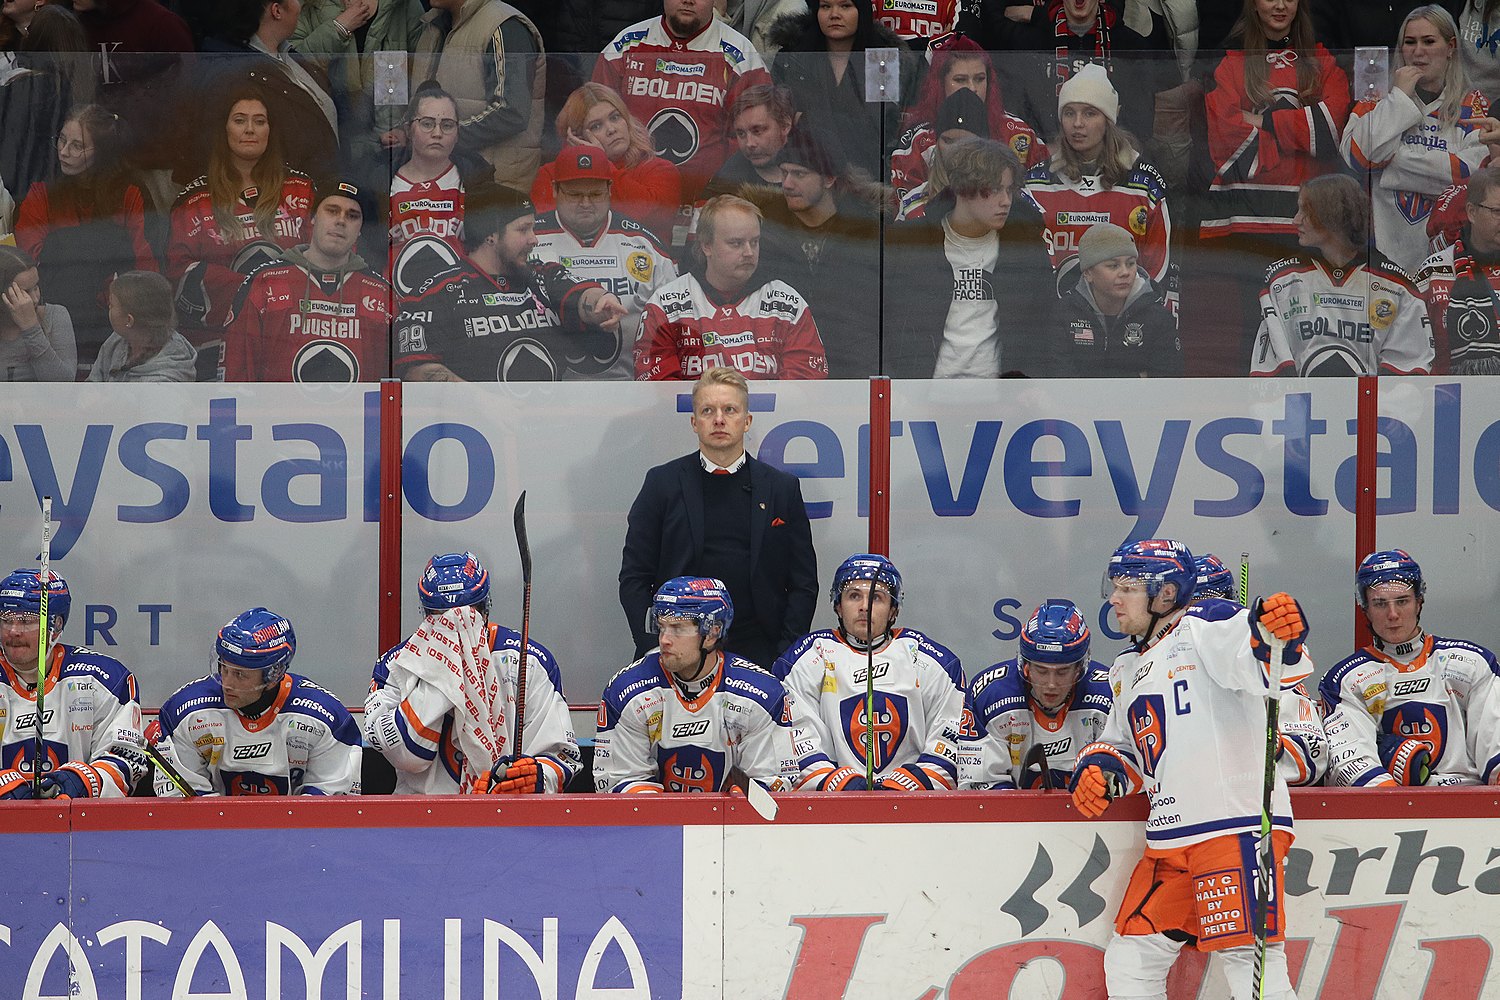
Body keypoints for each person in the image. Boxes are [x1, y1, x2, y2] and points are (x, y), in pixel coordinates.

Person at [1072, 539, 1312, 1000]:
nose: (1113, 599)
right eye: (1113, 587)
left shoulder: (1204, 624)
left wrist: (1271, 634)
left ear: (1165, 594)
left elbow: (1259, 658)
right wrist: (1102, 769)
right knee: (1131, 958)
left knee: (1249, 965)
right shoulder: (1126, 667)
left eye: (1126, 588)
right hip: (1171, 837)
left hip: (1232, 825)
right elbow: (1128, 747)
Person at [619, 366, 818, 670]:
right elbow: (634, 578)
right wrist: (654, 647)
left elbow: (803, 583)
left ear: (747, 421)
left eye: (730, 410)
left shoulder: (782, 489)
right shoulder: (661, 484)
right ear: (694, 423)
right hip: (679, 650)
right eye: (708, 410)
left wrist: (784, 655)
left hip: (760, 652)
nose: (719, 419)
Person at [1189, 0, 1351, 375]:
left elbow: (1331, 130)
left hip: (1309, 224)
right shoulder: (1230, 62)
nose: (1280, 5)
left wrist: (1265, 122)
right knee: (1253, 335)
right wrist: (1299, 133)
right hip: (1247, 224)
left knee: (1309, 333)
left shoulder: (1322, 60)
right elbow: (1226, 142)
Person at [364, 551, 581, 794]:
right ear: (426, 614)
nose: (457, 624)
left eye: (468, 613)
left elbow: (562, 756)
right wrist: (440, 669)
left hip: (507, 819)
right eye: (443, 617)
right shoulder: (397, 665)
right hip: (422, 822)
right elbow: (406, 754)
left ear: (485, 608)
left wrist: (535, 777)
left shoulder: (528, 660)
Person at [392, 184, 628, 381]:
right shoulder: (437, 293)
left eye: (533, 228)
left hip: (551, 422)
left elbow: (583, 294)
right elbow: (419, 369)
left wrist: (602, 302)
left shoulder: (542, 276)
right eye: (523, 229)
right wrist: (484, 403)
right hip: (474, 428)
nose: (534, 239)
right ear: (491, 235)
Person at [774, 554, 968, 791]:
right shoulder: (806, 659)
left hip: (915, 811)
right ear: (838, 605)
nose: (864, 606)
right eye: (854, 595)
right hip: (831, 811)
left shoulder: (932, 661)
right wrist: (842, 786)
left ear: (893, 610)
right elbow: (794, 739)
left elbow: (950, 739)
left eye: (876, 597)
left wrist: (906, 788)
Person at [596, 576, 798, 794]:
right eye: (661, 626)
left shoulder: (761, 695)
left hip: (732, 825)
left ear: (712, 633)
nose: (664, 639)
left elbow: (771, 787)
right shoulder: (627, 692)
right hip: (657, 827)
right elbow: (621, 784)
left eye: (678, 628)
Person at [1320, 549, 1500, 787]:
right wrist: (1400, 808)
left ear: (1419, 602)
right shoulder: (1347, 679)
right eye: (1380, 603)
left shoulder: (1470, 663)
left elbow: (1495, 746)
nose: (1392, 614)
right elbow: (1350, 761)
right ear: (1365, 609)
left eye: (1402, 601)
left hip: (1469, 801)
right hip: (1393, 809)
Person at [882, 136, 1056, 378]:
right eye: (994, 190)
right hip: (923, 397)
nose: (1006, 201)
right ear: (963, 188)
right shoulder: (911, 245)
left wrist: (1035, 386)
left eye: (1008, 190)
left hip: (1003, 399)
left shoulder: (1024, 248)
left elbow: (1048, 327)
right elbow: (881, 325)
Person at [1342, 5, 1489, 276]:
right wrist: (1398, 98)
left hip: (1449, 261)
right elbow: (1356, 157)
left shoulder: (1473, 105)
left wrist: (1390, 164)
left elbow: (1471, 177)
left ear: (1451, 47)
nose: (1418, 51)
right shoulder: (1377, 100)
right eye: (1409, 42)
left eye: (1429, 41)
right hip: (1379, 259)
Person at [154, 607, 362, 795]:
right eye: (223, 668)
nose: (226, 683)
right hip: (213, 834)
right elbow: (180, 808)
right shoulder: (185, 713)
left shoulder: (325, 719)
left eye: (240, 674)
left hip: (299, 836)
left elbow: (331, 812)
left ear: (274, 674)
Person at [1022, 63, 1176, 313]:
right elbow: (1025, 270)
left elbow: (1158, 272)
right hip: (1052, 325)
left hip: (1124, 326)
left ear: (1109, 119)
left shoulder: (1143, 184)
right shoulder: (1037, 183)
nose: (1077, 124)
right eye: (1069, 113)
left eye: (1090, 113)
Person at [15, 104, 157, 373]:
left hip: (118, 320)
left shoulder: (130, 194)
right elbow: (29, 266)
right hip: (52, 323)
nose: (64, 152)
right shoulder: (41, 192)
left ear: (101, 152)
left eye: (77, 146)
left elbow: (145, 268)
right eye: (62, 140)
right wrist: (109, 245)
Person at [167, 86, 315, 337]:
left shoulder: (301, 189)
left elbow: (328, 257)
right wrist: (256, 290)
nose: (249, 129)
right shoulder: (194, 200)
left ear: (270, 130)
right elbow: (177, 273)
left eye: (259, 121)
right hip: (219, 336)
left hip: (295, 332)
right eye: (239, 120)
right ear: (224, 129)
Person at [635, 193, 828, 380]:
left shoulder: (788, 302)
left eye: (755, 242)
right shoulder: (665, 305)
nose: (749, 252)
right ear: (706, 245)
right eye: (736, 243)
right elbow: (659, 391)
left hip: (773, 414)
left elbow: (806, 385)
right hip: (696, 414)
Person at [1255, 174, 1432, 376]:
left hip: (1368, 407)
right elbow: (1269, 375)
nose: (1296, 220)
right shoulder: (1283, 281)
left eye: (1305, 211)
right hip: (1300, 406)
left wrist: (1372, 407)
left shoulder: (1396, 287)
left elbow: (1407, 378)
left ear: (1331, 215)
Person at [593, 0, 771, 199]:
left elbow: (757, 138)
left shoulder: (740, 54)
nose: (688, 0)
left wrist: (719, 194)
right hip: (632, 197)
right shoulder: (625, 45)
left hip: (710, 202)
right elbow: (591, 124)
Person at [531, 145, 680, 381]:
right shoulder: (528, 241)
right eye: (575, 194)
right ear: (555, 190)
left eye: (596, 193)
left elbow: (676, 321)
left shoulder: (645, 245)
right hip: (551, 393)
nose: (586, 203)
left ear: (610, 189)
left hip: (631, 388)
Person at [222, 178, 394, 382]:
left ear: (360, 230)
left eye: (352, 216)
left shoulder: (380, 292)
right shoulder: (265, 282)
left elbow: (393, 379)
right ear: (312, 218)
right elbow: (235, 374)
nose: (341, 220)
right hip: (280, 413)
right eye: (332, 210)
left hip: (353, 414)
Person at [0, 568, 147, 800]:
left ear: (55, 626)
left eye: (27, 621)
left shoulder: (104, 679)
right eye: (6, 620)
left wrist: (87, 780)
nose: (14, 631)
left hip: (81, 830)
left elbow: (127, 759)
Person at [1191, 551, 1328, 787]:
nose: (1199, 621)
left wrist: (1269, 746)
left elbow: (1312, 759)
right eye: (1189, 611)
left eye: (1211, 608)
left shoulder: (1271, 671)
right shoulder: (1167, 673)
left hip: (1255, 810)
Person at [756, 124, 882, 378]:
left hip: (855, 375)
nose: (787, 184)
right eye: (784, 173)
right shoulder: (762, 232)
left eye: (799, 174)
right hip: (785, 373)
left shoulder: (869, 234)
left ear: (829, 178)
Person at [963, 599, 1112, 791]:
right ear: (1025, 666)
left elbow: (1126, 777)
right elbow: (980, 787)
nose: (1051, 684)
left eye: (1062, 672)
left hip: (1093, 817)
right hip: (1012, 819)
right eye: (1041, 671)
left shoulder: (1109, 694)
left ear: (1079, 669)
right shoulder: (990, 695)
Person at [981, 0, 1172, 145]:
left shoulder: (1132, 47)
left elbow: (1140, 124)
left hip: (1113, 161)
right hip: (1050, 160)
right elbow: (1021, 113)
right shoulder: (1030, 44)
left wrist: (1108, 151)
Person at [888, 36, 1046, 210]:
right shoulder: (918, 141)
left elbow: (1042, 199)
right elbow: (906, 210)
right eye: (961, 80)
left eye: (979, 79)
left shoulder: (1019, 133)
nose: (972, 88)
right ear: (939, 84)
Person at [191, 0, 339, 183]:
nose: (299, 5)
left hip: (321, 191)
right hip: (278, 198)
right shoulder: (232, 74)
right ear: (276, 10)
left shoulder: (290, 56)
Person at [767, 0, 911, 183]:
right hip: (805, 172)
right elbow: (781, 122)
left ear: (862, 11)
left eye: (845, 6)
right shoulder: (793, 56)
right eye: (825, 6)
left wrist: (811, 118)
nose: (834, 14)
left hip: (866, 178)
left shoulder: (881, 57)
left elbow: (878, 128)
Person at [410, 0, 545, 191]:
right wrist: (405, 130)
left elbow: (511, 111)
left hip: (495, 186)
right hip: (445, 181)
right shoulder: (433, 25)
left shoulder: (504, 26)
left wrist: (442, 136)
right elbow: (423, 100)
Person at [530, 82, 682, 246]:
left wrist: (600, 162)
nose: (611, 129)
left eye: (615, 117)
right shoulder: (550, 175)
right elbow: (548, 230)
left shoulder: (661, 170)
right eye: (596, 126)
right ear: (577, 138)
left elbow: (646, 219)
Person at [291, 0, 425, 178]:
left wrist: (404, 127)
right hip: (331, 147)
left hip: (395, 150)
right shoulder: (308, 6)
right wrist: (339, 27)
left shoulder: (404, 5)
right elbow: (291, 66)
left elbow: (423, 73)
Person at [387, 84, 485, 294]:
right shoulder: (381, 181)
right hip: (394, 299)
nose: (437, 133)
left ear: (458, 133)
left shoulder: (476, 181)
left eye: (447, 125)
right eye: (427, 124)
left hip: (462, 296)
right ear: (408, 130)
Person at [1051, 221, 1182, 376]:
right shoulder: (1064, 313)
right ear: (1088, 273)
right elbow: (1060, 381)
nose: (1125, 272)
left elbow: (1166, 385)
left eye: (1131, 263)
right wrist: (1137, 377)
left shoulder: (1158, 317)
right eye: (1113, 266)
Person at [1417, 163, 1500, 373]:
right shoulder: (1433, 271)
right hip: (1450, 397)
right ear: (1471, 212)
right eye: (1497, 211)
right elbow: (1416, 353)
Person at [88, 270, 197, 381]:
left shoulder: (162, 382)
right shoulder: (117, 340)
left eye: (112, 305)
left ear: (129, 320)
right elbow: (90, 388)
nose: (108, 307)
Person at [702, 84, 796, 198]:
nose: (749, 143)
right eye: (741, 133)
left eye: (757, 131)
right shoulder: (727, 183)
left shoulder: (815, 168)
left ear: (785, 125)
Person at [0, 244, 75, 382]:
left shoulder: (55, 316)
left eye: (36, 287)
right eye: (25, 292)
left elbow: (64, 385)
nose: (35, 298)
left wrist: (31, 328)